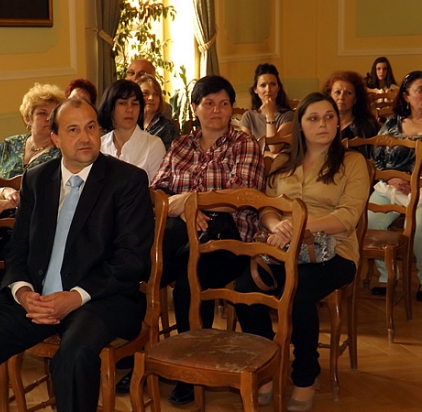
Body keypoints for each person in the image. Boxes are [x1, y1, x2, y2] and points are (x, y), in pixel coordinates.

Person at [0, 98, 154, 412]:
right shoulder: (37, 179)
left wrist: (74, 297)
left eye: (91, 127)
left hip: (101, 298)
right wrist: (23, 292)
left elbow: (131, 259)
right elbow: (18, 247)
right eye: (73, 130)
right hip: (38, 297)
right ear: (56, 138)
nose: (85, 137)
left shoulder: (127, 180)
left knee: (73, 355)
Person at [234, 92, 369, 412]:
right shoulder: (283, 162)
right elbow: (266, 207)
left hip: (334, 251)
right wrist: (275, 225)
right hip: (282, 247)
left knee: (299, 292)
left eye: (329, 117)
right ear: (300, 125)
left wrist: (298, 225)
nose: (323, 124)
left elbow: (347, 217)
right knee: (246, 290)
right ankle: (266, 367)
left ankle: (306, 377)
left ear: (338, 123)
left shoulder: (352, 162)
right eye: (314, 118)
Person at [149, 75, 265, 405]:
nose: (217, 110)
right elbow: (157, 193)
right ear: (194, 108)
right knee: (138, 268)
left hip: (230, 239)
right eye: (209, 103)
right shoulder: (180, 146)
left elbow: (242, 196)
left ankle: (191, 369)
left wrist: (191, 202)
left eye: (224, 103)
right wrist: (185, 209)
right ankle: (139, 356)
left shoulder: (244, 144)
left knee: (190, 279)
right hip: (180, 232)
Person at [368, 70, 422, 299]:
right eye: (420, 90)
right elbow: (375, 157)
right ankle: (387, 275)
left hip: (421, 190)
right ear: (406, 96)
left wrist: (417, 182)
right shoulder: (392, 124)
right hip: (391, 186)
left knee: (420, 227)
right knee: (370, 221)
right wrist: (389, 178)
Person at [0, 83, 64, 218]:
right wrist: (5, 191)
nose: (48, 118)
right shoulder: (10, 144)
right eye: (42, 113)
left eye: (54, 114)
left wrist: (15, 205)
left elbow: (56, 194)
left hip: (36, 219)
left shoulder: (62, 152)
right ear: (28, 119)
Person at [98, 79, 166, 181]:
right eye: (122, 103)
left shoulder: (153, 145)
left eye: (134, 104)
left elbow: (157, 188)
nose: (130, 109)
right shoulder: (100, 145)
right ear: (110, 108)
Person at [239, 63, 294, 154]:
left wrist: (270, 115)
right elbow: (246, 150)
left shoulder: (289, 115)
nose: (268, 90)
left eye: (272, 84)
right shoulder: (248, 116)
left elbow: (274, 148)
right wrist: (268, 155)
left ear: (278, 88)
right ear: (255, 89)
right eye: (263, 85)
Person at [322, 71, 379, 156]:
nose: (341, 97)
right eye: (337, 92)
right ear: (329, 96)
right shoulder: (320, 125)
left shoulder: (368, 127)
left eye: (348, 93)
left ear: (355, 99)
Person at [137, 73, 179, 149]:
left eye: (156, 94)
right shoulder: (130, 125)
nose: (151, 98)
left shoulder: (169, 129)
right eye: (145, 94)